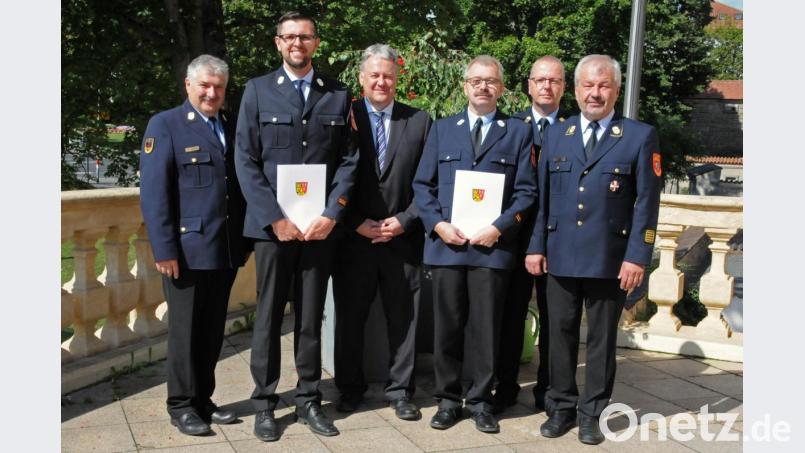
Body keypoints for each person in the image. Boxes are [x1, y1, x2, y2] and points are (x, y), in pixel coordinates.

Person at [525, 54, 662, 445]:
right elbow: (543, 200)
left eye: (603, 86)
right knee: (558, 336)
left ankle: (592, 413)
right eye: (588, 85)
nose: (595, 93)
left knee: (601, 342)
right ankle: (561, 407)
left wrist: (638, 256)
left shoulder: (638, 135)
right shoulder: (557, 134)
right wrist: (536, 247)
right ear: (577, 88)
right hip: (560, 256)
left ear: (616, 90)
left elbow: (647, 204)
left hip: (610, 259)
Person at [234, 11, 357, 442]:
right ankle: (265, 403)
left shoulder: (338, 95)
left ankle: (308, 399)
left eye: (304, 37)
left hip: (319, 228)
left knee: (309, 317)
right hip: (273, 230)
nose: (297, 44)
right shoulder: (257, 91)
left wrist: (332, 212)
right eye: (289, 37)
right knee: (267, 317)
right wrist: (275, 218)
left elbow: (348, 161)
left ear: (316, 43)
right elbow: (245, 160)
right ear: (278, 43)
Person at [413, 55, 536, 434]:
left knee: (487, 331)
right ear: (465, 86)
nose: (483, 87)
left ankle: (482, 401)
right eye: (476, 80)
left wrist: (499, 228)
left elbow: (526, 192)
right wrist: (438, 225)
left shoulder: (518, 132)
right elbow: (423, 186)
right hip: (448, 247)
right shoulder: (442, 129)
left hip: (491, 249)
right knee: (446, 329)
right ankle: (448, 400)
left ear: (501, 88)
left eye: (491, 81)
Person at [139, 54, 249, 436]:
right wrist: (164, 249)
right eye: (204, 85)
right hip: (185, 251)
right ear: (188, 85)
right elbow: (154, 195)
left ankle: (204, 398)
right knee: (184, 332)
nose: (211, 92)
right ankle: (181, 405)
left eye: (218, 86)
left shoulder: (232, 125)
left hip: (225, 249)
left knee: (211, 330)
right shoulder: (166, 125)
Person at [331, 44, 432, 420]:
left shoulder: (419, 121)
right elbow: (332, 175)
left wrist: (405, 219)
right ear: (361, 78)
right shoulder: (344, 117)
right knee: (350, 318)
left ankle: (401, 391)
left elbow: (429, 182)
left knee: (403, 319)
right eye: (374, 75)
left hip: (402, 239)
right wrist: (354, 220)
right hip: (353, 239)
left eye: (388, 75)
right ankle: (349, 389)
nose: (381, 81)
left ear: (397, 78)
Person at [494, 55, 568, 415]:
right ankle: (505, 386)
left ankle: (549, 389)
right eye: (540, 80)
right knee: (510, 317)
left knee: (555, 320)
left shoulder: (572, 131)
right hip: (513, 240)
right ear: (528, 86)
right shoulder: (509, 127)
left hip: (556, 242)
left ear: (563, 87)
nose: (546, 86)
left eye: (553, 81)